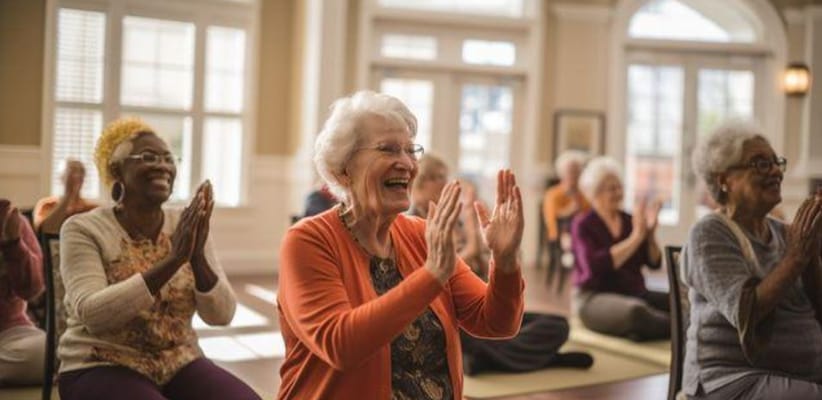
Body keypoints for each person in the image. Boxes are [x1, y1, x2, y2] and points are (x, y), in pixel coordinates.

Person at [277, 91, 525, 399]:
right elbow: (340, 344)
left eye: (411, 150)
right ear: (344, 168)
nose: (406, 163)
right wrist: (432, 274)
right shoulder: (308, 240)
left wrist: (505, 261)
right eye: (388, 149)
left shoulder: (420, 235)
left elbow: (496, 323)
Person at [56, 117, 259, 400]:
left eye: (168, 158)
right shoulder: (83, 229)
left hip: (180, 361)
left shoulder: (186, 224)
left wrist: (197, 257)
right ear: (116, 169)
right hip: (100, 363)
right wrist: (175, 260)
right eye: (148, 157)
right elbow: (94, 315)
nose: (163, 165)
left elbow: (222, 315)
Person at [409, 154, 592, 376]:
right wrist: (471, 235)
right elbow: (439, 273)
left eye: (444, 176)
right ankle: (544, 358)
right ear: (419, 182)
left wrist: (499, 251)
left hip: (484, 306)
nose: (444, 183)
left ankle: (491, 360)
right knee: (465, 337)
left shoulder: (456, 220)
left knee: (558, 325)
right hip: (453, 317)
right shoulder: (411, 225)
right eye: (435, 177)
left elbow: (482, 266)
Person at [682, 121, 822, 399]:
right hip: (731, 377)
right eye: (759, 164)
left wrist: (811, 256)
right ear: (724, 180)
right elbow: (748, 313)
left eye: (775, 162)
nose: (775, 171)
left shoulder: (785, 234)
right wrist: (796, 256)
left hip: (801, 372)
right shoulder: (710, 233)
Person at [571, 156, 669, 341]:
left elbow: (653, 263)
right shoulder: (583, 224)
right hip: (594, 298)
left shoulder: (628, 220)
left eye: (619, 187)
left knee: (680, 301)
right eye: (611, 189)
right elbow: (594, 266)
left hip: (634, 293)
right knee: (635, 312)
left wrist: (649, 234)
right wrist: (635, 238)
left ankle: (667, 326)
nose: (618, 192)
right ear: (595, 193)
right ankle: (681, 327)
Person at [0, 199, 45, 386]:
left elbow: (32, 289)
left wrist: (13, 243)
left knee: (47, 353)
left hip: (11, 334)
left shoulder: (12, 219)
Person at [34, 159, 98, 234]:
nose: (77, 176)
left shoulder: (92, 209)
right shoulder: (46, 205)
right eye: (71, 172)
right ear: (61, 177)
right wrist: (67, 196)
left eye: (81, 172)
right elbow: (44, 231)